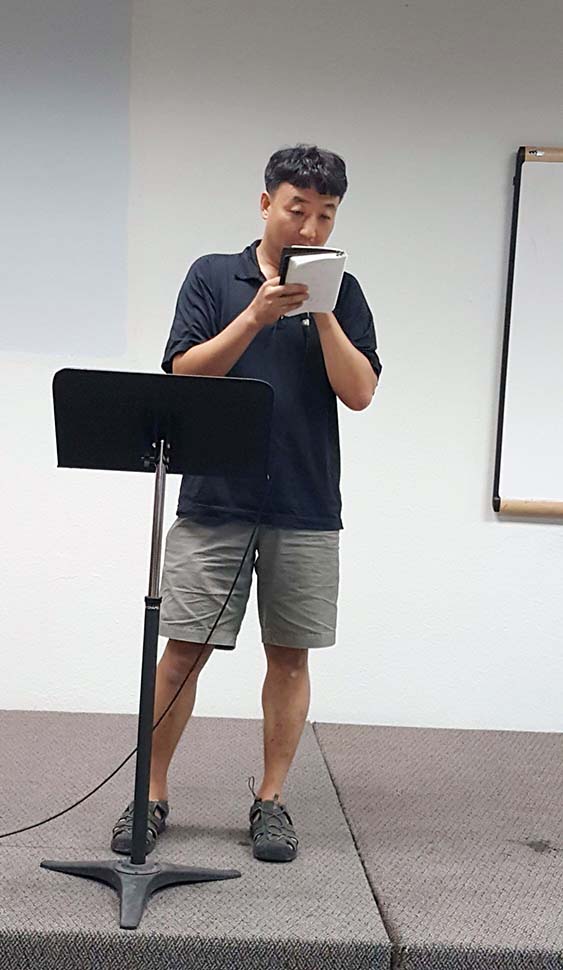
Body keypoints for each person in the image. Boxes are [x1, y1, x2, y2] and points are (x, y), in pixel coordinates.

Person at [111, 144, 382, 863]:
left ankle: (271, 800)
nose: (311, 228)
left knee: (289, 657)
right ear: (266, 204)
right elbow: (183, 373)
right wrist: (256, 317)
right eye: (298, 210)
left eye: (326, 215)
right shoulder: (212, 275)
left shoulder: (346, 293)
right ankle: (150, 794)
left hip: (305, 502)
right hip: (214, 497)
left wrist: (322, 312)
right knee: (181, 654)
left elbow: (359, 392)